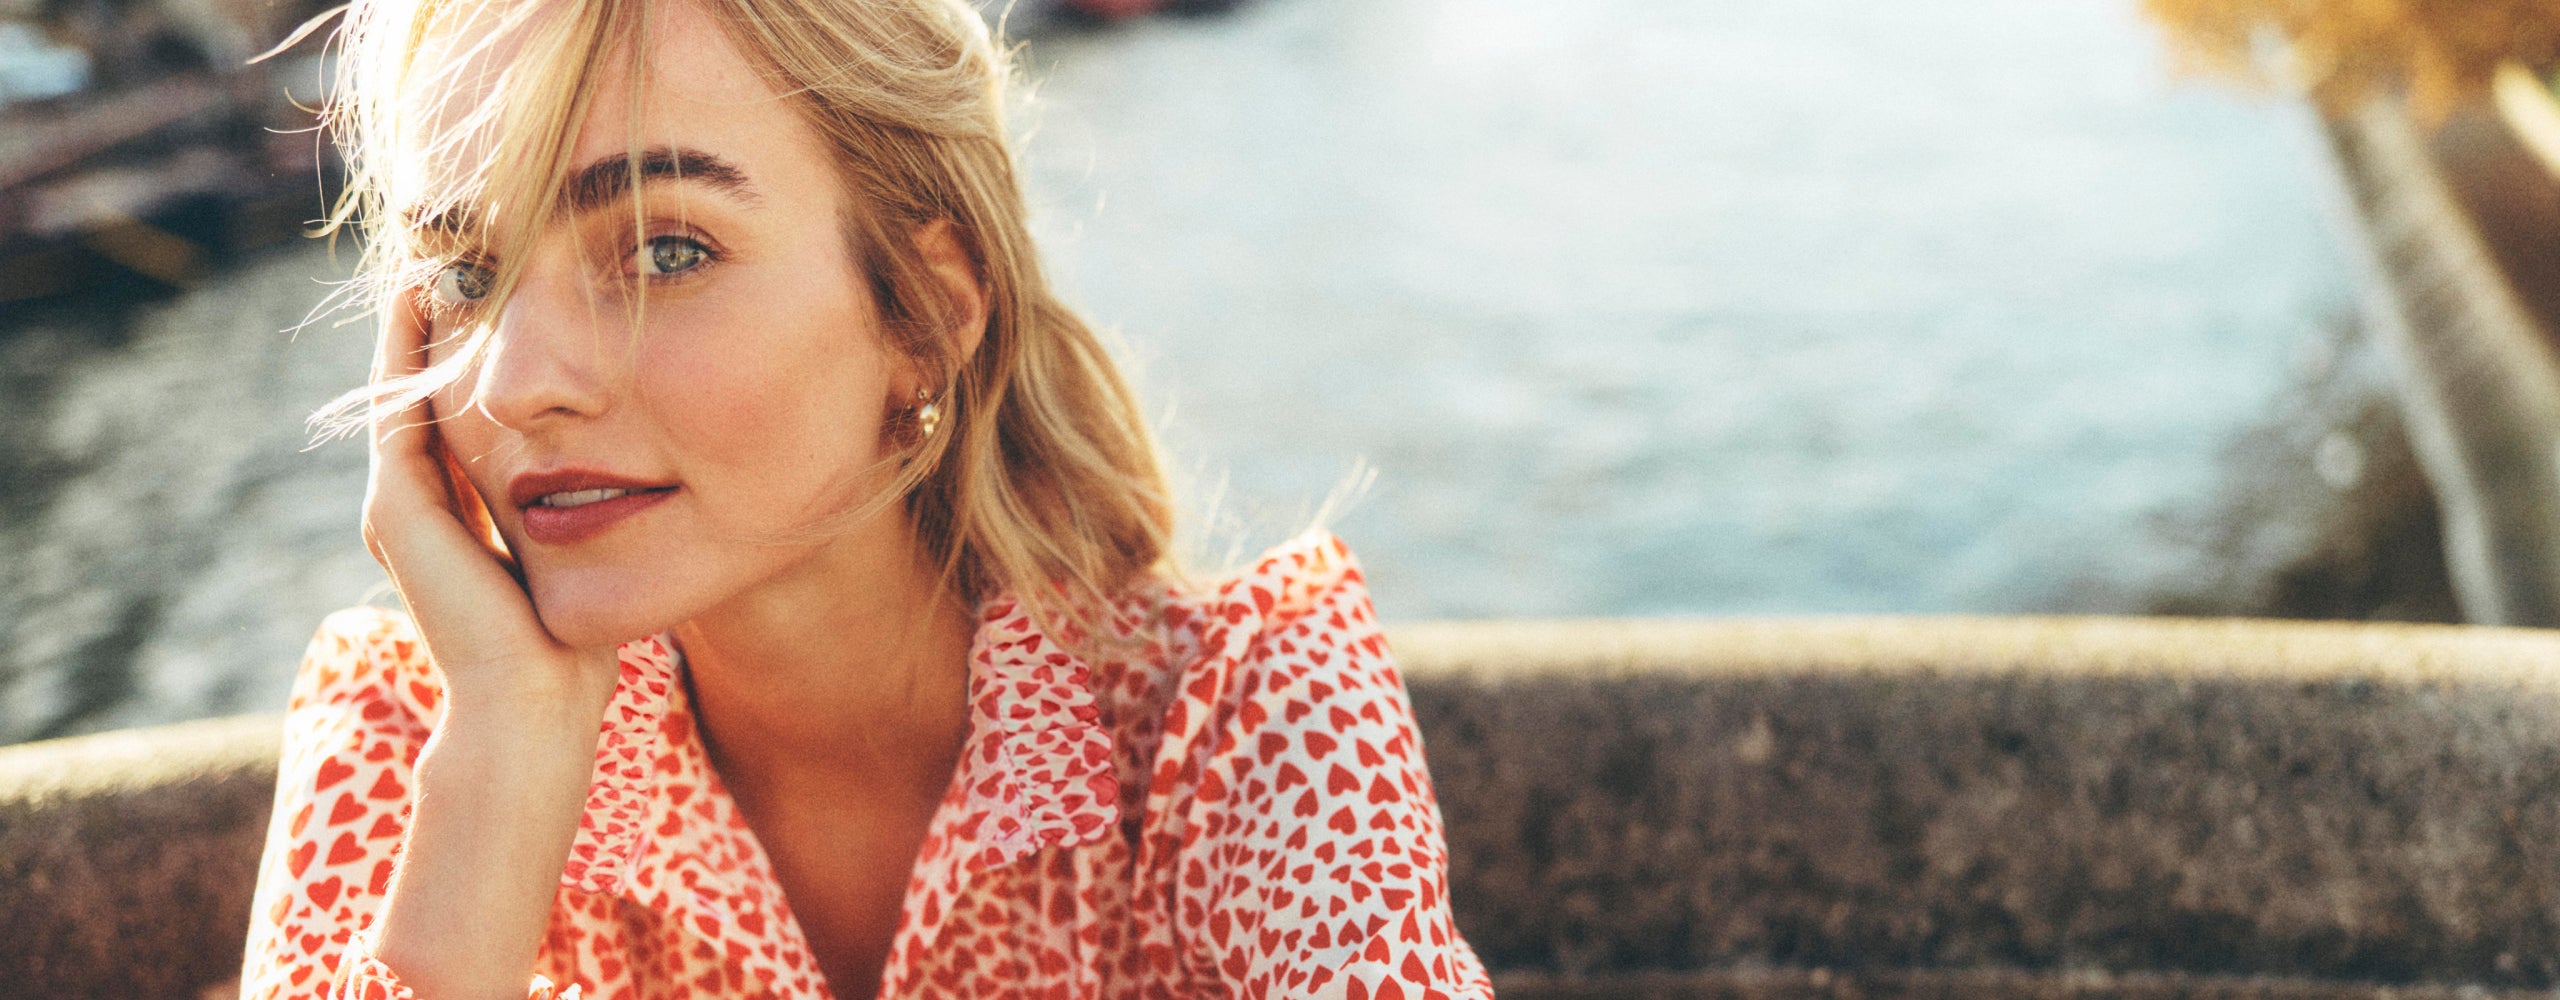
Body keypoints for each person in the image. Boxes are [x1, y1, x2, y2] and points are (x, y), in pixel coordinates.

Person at [233, 0, 1493, 997]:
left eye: (666, 250)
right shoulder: (416, 741)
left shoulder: (1231, 727)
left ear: (927, 308)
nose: (513, 380)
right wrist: (505, 749)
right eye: (466, 269)